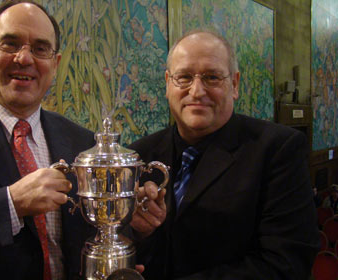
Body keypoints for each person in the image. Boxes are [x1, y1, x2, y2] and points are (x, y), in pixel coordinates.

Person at [0, 1, 164, 279]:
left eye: (40, 48)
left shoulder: (82, 142)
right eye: (10, 44)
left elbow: (93, 236)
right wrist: (10, 204)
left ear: (55, 63)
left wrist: (133, 230)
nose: (24, 58)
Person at [129, 30, 319, 279]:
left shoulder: (277, 149)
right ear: (167, 83)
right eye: (184, 77)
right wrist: (141, 236)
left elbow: (286, 264)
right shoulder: (140, 154)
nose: (196, 91)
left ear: (235, 84)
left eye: (212, 77)